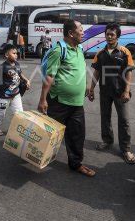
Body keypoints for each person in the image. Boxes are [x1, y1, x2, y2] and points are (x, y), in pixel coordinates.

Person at [37, 19, 95, 177]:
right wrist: (42, 100)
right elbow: (49, 76)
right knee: (51, 133)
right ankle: (36, 154)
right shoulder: (58, 50)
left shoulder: (80, 48)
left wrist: (86, 88)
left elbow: (78, 70)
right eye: (81, 30)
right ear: (71, 33)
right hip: (58, 102)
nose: (83, 32)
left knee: (77, 134)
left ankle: (76, 164)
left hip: (77, 103)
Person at [88, 23, 135, 164]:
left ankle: (126, 149)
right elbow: (96, 72)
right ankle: (107, 140)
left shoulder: (124, 52)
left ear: (117, 36)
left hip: (120, 93)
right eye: (107, 34)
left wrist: (127, 91)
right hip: (104, 91)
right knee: (105, 117)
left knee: (124, 120)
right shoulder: (100, 53)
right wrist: (91, 89)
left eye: (112, 35)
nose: (109, 37)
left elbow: (129, 73)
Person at [0, 44, 30, 136]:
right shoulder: (1, 68)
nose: (16, 55)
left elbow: (20, 74)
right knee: (0, 113)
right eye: (14, 53)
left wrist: (26, 80)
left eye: (16, 53)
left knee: (20, 113)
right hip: (3, 96)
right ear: (7, 55)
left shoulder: (17, 64)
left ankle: (20, 130)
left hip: (16, 95)